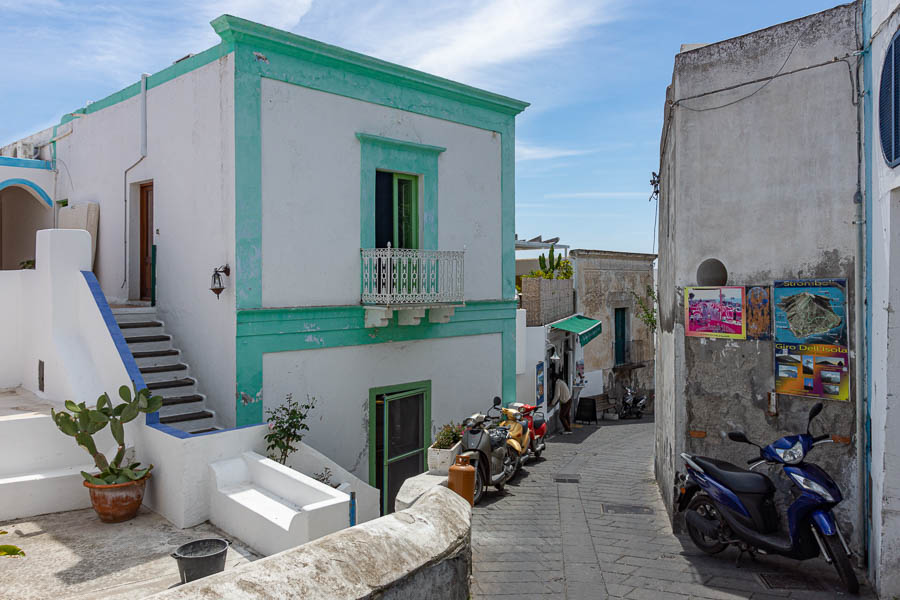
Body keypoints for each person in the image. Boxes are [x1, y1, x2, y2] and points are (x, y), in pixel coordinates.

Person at [555, 370, 572, 434]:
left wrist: (552, 403)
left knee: (561, 416)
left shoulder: (558, 383)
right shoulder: (562, 382)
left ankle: (568, 429)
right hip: (569, 399)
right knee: (566, 415)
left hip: (565, 401)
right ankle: (568, 428)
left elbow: (557, 395)